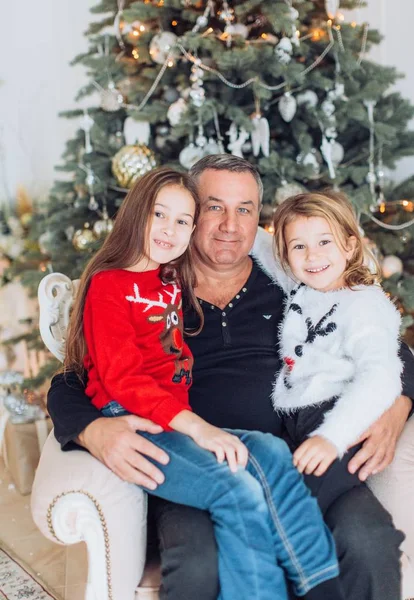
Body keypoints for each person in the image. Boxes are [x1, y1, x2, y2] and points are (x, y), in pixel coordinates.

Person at [48, 155, 414, 600]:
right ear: (190, 213)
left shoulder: (291, 276)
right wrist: (92, 430)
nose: (229, 224)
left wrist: (398, 405)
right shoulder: (150, 285)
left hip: (294, 460)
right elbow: (75, 376)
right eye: (213, 206)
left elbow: (385, 345)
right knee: (203, 559)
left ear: (260, 217)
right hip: (193, 459)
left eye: (245, 209)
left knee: (368, 542)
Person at [252, 191, 403, 515]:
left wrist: (332, 438)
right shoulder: (301, 286)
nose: (312, 256)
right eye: (299, 246)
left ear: (349, 246)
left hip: (341, 419)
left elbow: (382, 378)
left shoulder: (364, 305)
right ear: (286, 255)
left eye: (324, 242)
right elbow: (256, 241)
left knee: (289, 509)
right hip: (293, 421)